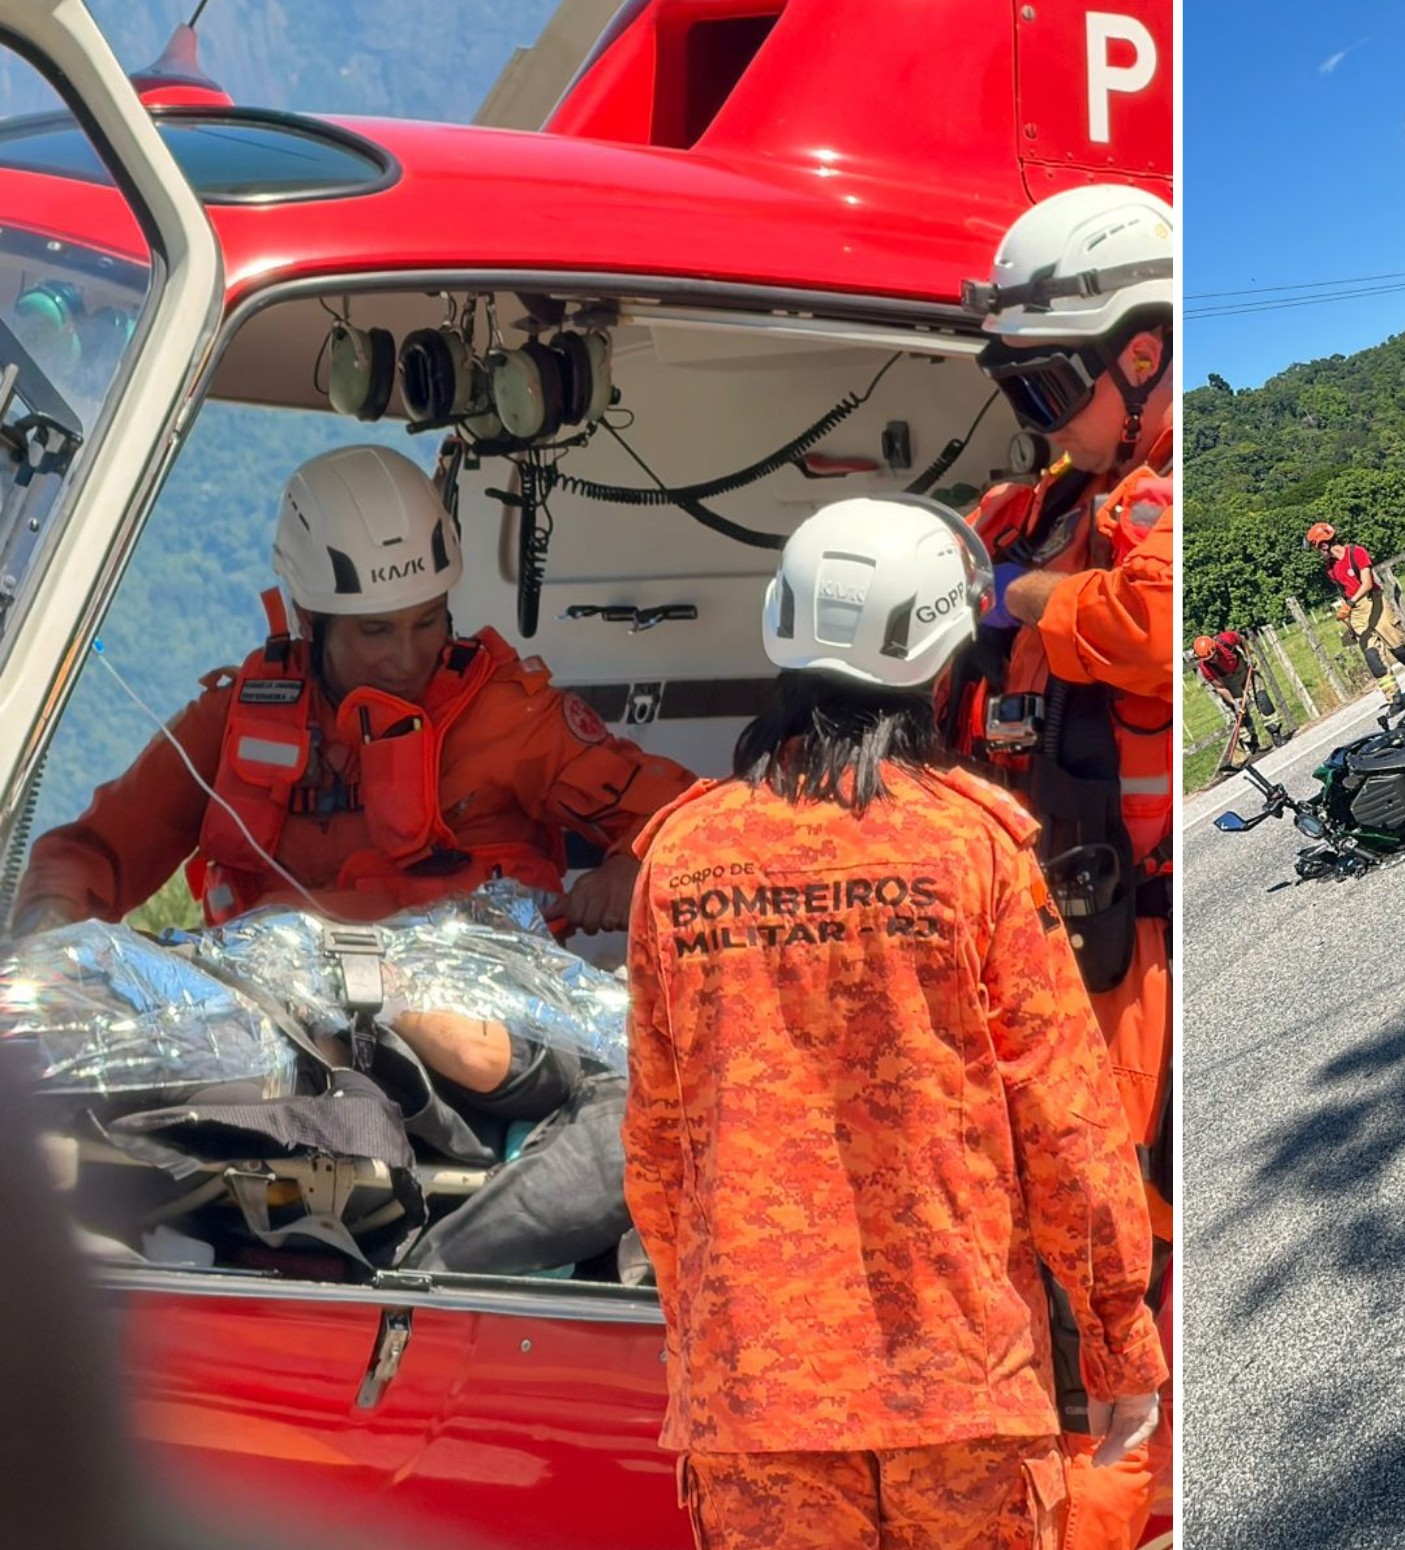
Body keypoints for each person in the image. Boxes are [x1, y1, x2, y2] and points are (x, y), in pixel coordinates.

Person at [623, 496, 1167, 1550]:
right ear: (941, 654)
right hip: (960, 1392)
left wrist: (705, 1347)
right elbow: (1067, 1120)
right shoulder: (974, 849)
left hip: (755, 1401)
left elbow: (655, 1146)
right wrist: (1115, 1340)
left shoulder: (680, 860)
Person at [11, 444, 696, 1102]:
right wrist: (52, 927)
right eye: (375, 633)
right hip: (274, 1032)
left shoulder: (508, 717)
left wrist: (629, 867)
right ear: (311, 619)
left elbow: (690, 822)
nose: (406, 658)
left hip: (466, 1034)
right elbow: (92, 850)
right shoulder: (236, 718)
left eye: (427, 623)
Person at [945, 181, 1175, 1548]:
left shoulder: (1147, 520)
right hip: (1028, 961)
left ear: (1142, 354)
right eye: (1015, 384)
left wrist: (1019, 597)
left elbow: (1147, 625)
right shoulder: (1025, 514)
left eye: (1048, 381)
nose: (1034, 414)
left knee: (1130, 1269)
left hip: (1130, 965)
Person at [1305, 521, 1405, 714]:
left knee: (1399, 649)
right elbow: (1344, 592)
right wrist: (1349, 621)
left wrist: (1349, 605)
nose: (1318, 553)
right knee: (1372, 656)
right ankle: (1395, 699)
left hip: (1375, 602)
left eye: (1317, 548)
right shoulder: (1330, 569)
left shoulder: (1356, 553)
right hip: (1356, 609)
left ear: (1324, 545)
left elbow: (1367, 583)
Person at [1191, 631, 1285, 764]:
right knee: (1241, 712)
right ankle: (1253, 746)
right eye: (1209, 659)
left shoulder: (1225, 639)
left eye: (1213, 656)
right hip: (1228, 682)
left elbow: (1241, 639)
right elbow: (1220, 687)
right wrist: (1234, 702)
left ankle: (1275, 732)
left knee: (1262, 698)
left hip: (1244, 670)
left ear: (1215, 648)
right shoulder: (1205, 667)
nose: (1213, 660)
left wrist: (1248, 655)